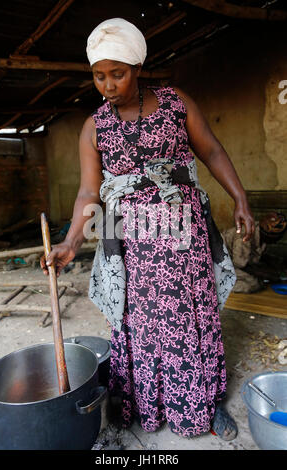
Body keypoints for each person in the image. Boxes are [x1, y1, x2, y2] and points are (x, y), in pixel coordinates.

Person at [40, 18, 255, 441]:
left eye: (117, 73)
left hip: (184, 233)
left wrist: (241, 198)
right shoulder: (94, 127)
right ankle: (143, 405)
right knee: (140, 321)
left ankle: (204, 403)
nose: (108, 85)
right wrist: (70, 240)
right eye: (99, 76)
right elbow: (88, 193)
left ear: (138, 66)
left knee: (192, 315)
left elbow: (210, 149)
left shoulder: (176, 103)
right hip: (131, 242)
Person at [222, 211, 287, 293]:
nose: (275, 242)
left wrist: (275, 266)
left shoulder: (262, 234)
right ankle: (218, 286)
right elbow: (241, 264)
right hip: (219, 263)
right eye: (275, 239)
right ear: (268, 235)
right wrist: (265, 274)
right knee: (253, 284)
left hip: (232, 262)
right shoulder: (246, 235)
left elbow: (258, 256)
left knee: (258, 280)